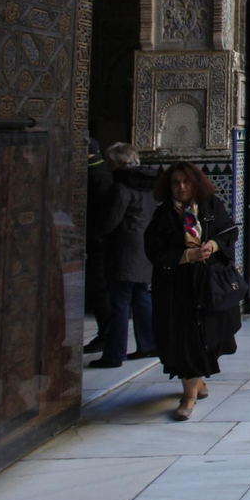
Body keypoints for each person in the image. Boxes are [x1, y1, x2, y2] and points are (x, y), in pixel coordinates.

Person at [144, 161, 240, 420]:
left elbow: (229, 232)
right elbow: (154, 251)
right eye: (176, 182)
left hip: (208, 287)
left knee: (205, 337)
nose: (181, 187)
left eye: (186, 182)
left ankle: (195, 381)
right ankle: (189, 395)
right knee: (184, 338)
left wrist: (212, 246)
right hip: (177, 289)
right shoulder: (163, 215)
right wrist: (186, 255)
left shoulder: (210, 206)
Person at [90, 143, 158, 368]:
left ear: (117, 162)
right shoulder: (152, 182)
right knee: (141, 295)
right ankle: (147, 344)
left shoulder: (122, 185)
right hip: (146, 245)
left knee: (119, 301)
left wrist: (97, 234)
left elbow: (112, 218)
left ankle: (114, 354)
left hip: (125, 249)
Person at [84, 137, 117, 355]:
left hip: (99, 243)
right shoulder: (101, 173)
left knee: (101, 289)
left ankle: (108, 335)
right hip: (98, 241)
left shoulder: (100, 177)